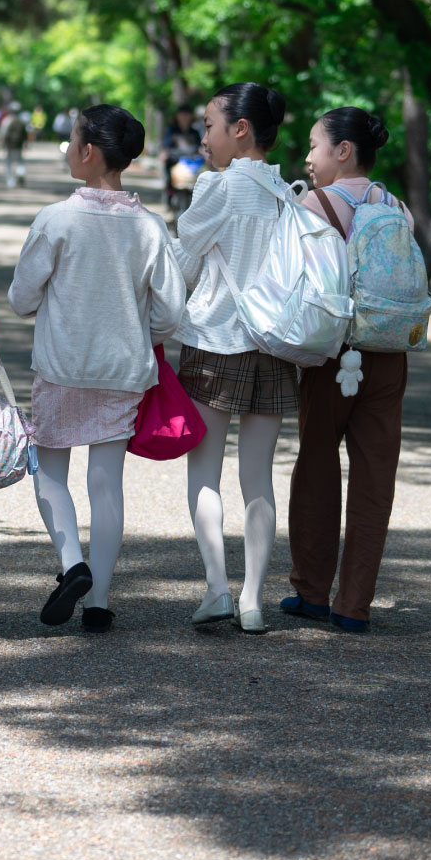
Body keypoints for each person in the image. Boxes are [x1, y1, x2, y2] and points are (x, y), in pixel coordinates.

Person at [8, 105, 186, 633]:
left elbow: (20, 299)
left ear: (87, 153)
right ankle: (99, 602)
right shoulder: (150, 227)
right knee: (106, 484)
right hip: (124, 369)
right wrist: (141, 331)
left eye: (70, 141)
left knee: (50, 475)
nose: (66, 148)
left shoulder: (56, 220)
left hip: (63, 366)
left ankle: (72, 566)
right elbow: (172, 311)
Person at [282, 108, 415, 634]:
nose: (308, 157)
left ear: (343, 151)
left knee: (316, 466)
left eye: (314, 145)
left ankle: (312, 593)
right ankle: (354, 603)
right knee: (375, 479)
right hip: (388, 355)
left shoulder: (314, 204)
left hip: (332, 354)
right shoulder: (397, 206)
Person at [172, 81, 296, 635]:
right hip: (274, 347)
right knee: (259, 479)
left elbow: (185, 264)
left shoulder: (216, 189)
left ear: (239, 130)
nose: (204, 136)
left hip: (216, 342)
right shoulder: (287, 193)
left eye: (209, 125)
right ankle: (253, 601)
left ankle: (217, 588)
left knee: (204, 471)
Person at [160, 103, 205, 217]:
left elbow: (199, 148)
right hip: (174, 162)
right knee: (168, 176)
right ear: (177, 116)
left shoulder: (194, 132)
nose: (184, 117)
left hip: (191, 165)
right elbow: (166, 147)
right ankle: (168, 197)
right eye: (182, 114)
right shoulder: (171, 130)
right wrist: (164, 154)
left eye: (186, 114)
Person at [0, 101, 28, 188]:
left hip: (8, 145)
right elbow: (25, 134)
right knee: (20, 161)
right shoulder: (21, 121)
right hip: (19, 145)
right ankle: (20, 173)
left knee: (8, 163)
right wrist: (26, 143)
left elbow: (3, 133)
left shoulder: (7, 120)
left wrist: (1, 144)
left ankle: (10, 181)